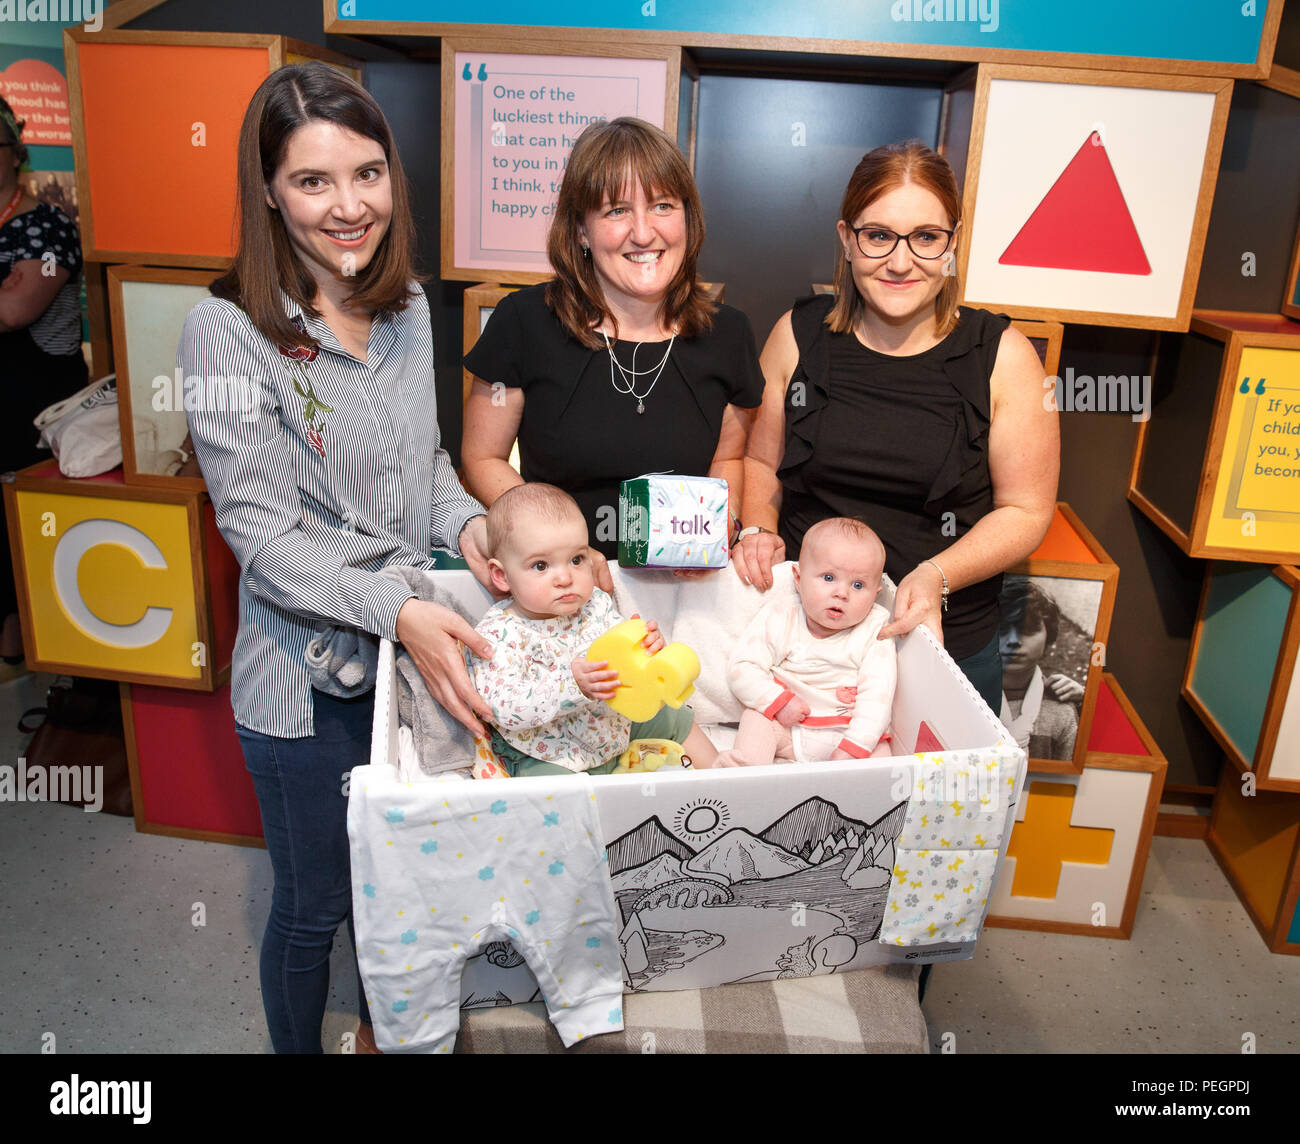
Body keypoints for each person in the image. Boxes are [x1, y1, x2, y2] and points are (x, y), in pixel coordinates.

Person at [178, 64, 495, 1054]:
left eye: (367, 174)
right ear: (268, 189)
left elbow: (430, 468)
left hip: (405, 667)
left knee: (393, 891)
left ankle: (377, 1034)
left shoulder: (405, 310)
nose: (348, 207)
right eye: (313, 181)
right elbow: (264, 542)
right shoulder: (226, 331)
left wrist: (481, 536)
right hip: (306, 686)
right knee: (313, 907)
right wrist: (396, 608)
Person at [732, 141, 1058, 712]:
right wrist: (759, 531)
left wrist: (936, 574)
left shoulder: (1002, 356)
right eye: (878, 235)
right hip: (802, 646)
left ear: (952, 242)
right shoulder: (797, 335)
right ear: (846, 239)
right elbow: (761, 462)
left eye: (926, 238)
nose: (901, 262)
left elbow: (1026, 511)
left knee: (937, 804)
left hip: (939, 646)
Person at [461, 116, 764, 583]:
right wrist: (562, 550)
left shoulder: (729, 334)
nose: (643, 233)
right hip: (558, 590)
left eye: (662, 205)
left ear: (688, 217)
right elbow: (483, 460)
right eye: (616, 211)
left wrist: (724, 524)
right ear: (581, 230)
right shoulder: (524, 323)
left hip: (682, 590)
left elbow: (728, 459)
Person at [468, 483, 718, 775]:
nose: (564, 577)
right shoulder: (498, 633)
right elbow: (501, 707)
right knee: (548, 788)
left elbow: (622, 655)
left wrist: (648, 648)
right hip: (545, 748)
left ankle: (723, 773)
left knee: (672, 714)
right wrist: (571, 685)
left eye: (576, 559)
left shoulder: (595, 603)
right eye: (540, 566)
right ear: (501, 575)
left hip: (610, 724)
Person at [0, 96, 89, 661]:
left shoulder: (48, 227)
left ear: (14, 152)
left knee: (18, 540)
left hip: (28, 413)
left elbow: (15, 310)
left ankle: (32, 657)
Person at [714, 517, 896, 768]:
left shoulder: (875, 628)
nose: (841, 593)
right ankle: (743, 773)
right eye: (828, 578)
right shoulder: (782, 614)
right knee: (756, 719)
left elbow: (878, 696)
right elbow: (742, 668)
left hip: (847, 730)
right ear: (798, 579)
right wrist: (779, 702)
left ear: (876, 594)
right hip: (787, 725)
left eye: (858, 585)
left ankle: (864, 792)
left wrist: (855, 747)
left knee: (881, 755)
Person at [998, 578, 1081, 760]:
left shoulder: (1062, 712)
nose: (1013, 640)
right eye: (1002, 629)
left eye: (1027, 629)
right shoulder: (963, 699)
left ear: (1049, 637)